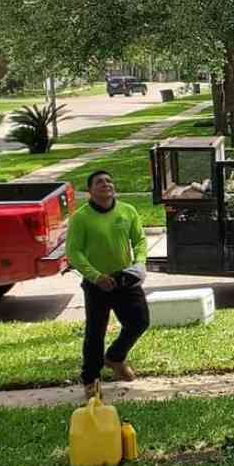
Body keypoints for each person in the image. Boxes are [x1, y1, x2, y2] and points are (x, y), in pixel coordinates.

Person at [66, 169, 151, 397]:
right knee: (95, 332)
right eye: (99, 182)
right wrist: (96, 277)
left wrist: (139, 264)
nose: (106, 184)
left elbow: (140, 240)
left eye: (109, 181)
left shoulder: (127, 211)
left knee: (140, 321)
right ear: (90, 191)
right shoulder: (81, 218)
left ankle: (114, 358)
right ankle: (90, 381)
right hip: (97, 285)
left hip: (125, 278)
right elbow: (74, 253)